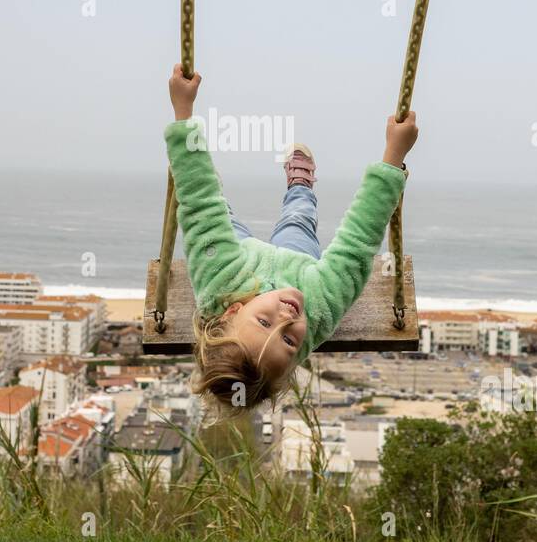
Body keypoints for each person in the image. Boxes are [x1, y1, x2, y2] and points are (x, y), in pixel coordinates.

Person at [165, 64, 418, 415]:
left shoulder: (218, 282)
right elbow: (358, 242)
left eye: (264, 322)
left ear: (234, 311)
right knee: (298, 218)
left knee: (214, 209)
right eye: (289, 339)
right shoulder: (317, 306)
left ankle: (217, 182)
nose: (288, 316)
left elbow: (196, 201)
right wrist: (394, 159)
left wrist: (183, 113)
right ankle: (300, 186)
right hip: (298, 264)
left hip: (238, 259)